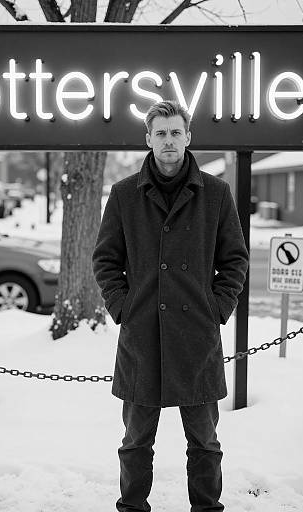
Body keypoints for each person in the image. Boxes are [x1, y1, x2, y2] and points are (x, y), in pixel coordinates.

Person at [92, 100, 249, 511]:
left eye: (175, 132)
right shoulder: (125, 194)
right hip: (142, 336)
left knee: (204, 442)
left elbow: (234, 259)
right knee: (136, 442)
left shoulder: (216, 194)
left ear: (188, 137)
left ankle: (206, 507)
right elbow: (105, 259)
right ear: (148, 139)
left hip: (197, 336)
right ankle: (132, 507)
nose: (168, 141)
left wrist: (217, 308)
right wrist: (122, 307)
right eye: (160, 133)